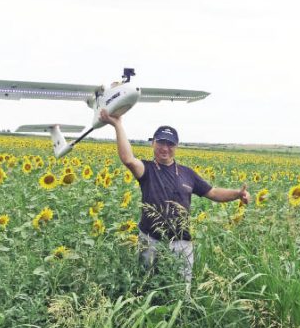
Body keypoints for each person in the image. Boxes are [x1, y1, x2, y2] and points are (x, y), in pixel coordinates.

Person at [100, 109, 250, 286]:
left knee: (180, 291)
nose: (165, 148)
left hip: (180, 244)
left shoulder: (187, 174)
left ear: (176, 147)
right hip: (151, 240)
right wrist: (117, 124)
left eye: (170, 144)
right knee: (146, 286)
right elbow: (128, 159)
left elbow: (214, 192)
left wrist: (237, 194)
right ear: (153, 143)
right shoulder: (147, 169)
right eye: (161, 142)